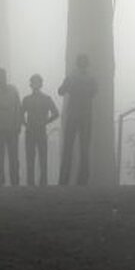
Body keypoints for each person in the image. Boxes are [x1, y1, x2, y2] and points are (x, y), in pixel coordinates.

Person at [58, 55, 98, 185]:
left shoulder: (71, 78)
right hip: (86, 116)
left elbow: (60, 91)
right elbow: (94, 93)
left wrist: (70, 86)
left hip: (73, 115)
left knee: (68, 147)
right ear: (87, 64)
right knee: (84, 148)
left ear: (77, 64)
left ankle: (64, 178)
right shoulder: (91, 79)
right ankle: (83, 179)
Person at [22, 74, 60, 187]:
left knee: (40, 158)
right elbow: (20, 114)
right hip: (34, 131)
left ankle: (40, 183)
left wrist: (44, 122)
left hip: (37, 131)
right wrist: (27, 124)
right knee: (33, 158)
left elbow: (56, 113)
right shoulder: (34, 99)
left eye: (37, 82)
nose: (35, 85)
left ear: (40, 84)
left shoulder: (32, 99)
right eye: (34, 82)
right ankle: (35, 183)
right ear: (31, 84)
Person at [0, 67, 23, 186]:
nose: (1, 78)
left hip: (12, 128)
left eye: (3, 76)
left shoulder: (13, 90)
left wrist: (18, 124)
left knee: (13, 156)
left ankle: (15, 180)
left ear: (5, 77)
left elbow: (18, 108)